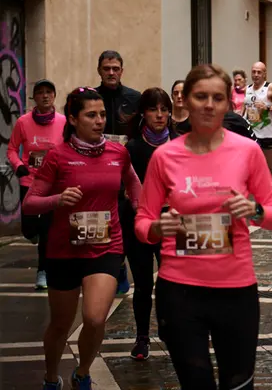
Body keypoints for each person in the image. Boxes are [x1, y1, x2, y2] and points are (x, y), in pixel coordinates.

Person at [135, 64, 272, 389]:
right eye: (200, 96)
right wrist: (158, 228)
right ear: (185, 101)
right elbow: (142, 223)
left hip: (236, 291)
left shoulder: (247, 151)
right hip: (180, 292)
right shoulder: (164, 157)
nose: (208, 105)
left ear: (228, 104)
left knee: (238, 384)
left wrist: (254, 210)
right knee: (196, 384)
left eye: (217, 98)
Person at [24, 87, 142, 390]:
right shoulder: (57, 156)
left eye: (102, 114)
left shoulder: (119, 152)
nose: (100, 120)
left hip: (106, 245)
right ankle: (52, 376)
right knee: (61, 325)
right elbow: (30, 203)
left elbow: (132, 180)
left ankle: (83, 372)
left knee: (93, 318)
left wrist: (141, 209)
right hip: (63, 250)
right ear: (74, 119)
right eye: (91, 115)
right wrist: (58, 200)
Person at [120, 88, 178, 361]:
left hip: (172, 224)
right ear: (143, 112)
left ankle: (170, 329)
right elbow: (125, 188)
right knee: (143, 284)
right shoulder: (132, 148)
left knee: (172, 282)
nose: (160, 115)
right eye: (154, 109)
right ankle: (141, 338)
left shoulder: (180, 144)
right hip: (141, 225)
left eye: (164, 109)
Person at [8, 79, 66, 290]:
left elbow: (69, 147)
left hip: (53, 183)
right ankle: (32, 234)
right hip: (29, 180)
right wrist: (18, 166)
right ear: (34, 97)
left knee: (47, 230)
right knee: (29, 228)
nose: (45, 96)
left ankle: (43, 271)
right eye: (40, 92)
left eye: (48, 92)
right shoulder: (23, 122)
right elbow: (12, 149)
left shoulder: (63, 121)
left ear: (54, 96)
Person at [95, 50, 141, 295]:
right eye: (106, 68)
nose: (111, 72)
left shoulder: (135, 98)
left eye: (115, 68)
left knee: (125, 221)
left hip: (128, 171)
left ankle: (121, 264)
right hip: (98, 171)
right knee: (102, 221)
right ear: (99, 71)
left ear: (122, 70)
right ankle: (109, 267)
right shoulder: (92, 98)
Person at [242, 62, 272, 174]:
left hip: (267, 134)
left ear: (264, 74)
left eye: (259, 72)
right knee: (251, 166)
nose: (256, 74)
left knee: (267, 167)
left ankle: (269, 189)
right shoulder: (247, 89)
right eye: (254, 72)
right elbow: (245, 110)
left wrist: (267, 107)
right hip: (251, 132)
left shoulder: (269, 88)